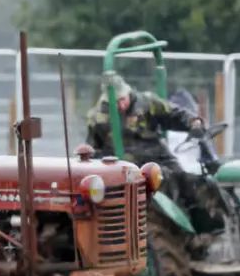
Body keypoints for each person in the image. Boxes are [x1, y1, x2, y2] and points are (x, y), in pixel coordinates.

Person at [85, 74, 206, 205]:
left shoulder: (147, 103)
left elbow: (174, 114)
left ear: (128, 92)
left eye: (122, 99)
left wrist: (194, 123)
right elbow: (93, 148)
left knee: (183, 181)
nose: (120, 105)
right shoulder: (97, 117)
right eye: (114, 102)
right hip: (123, 169)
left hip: (157, 157)